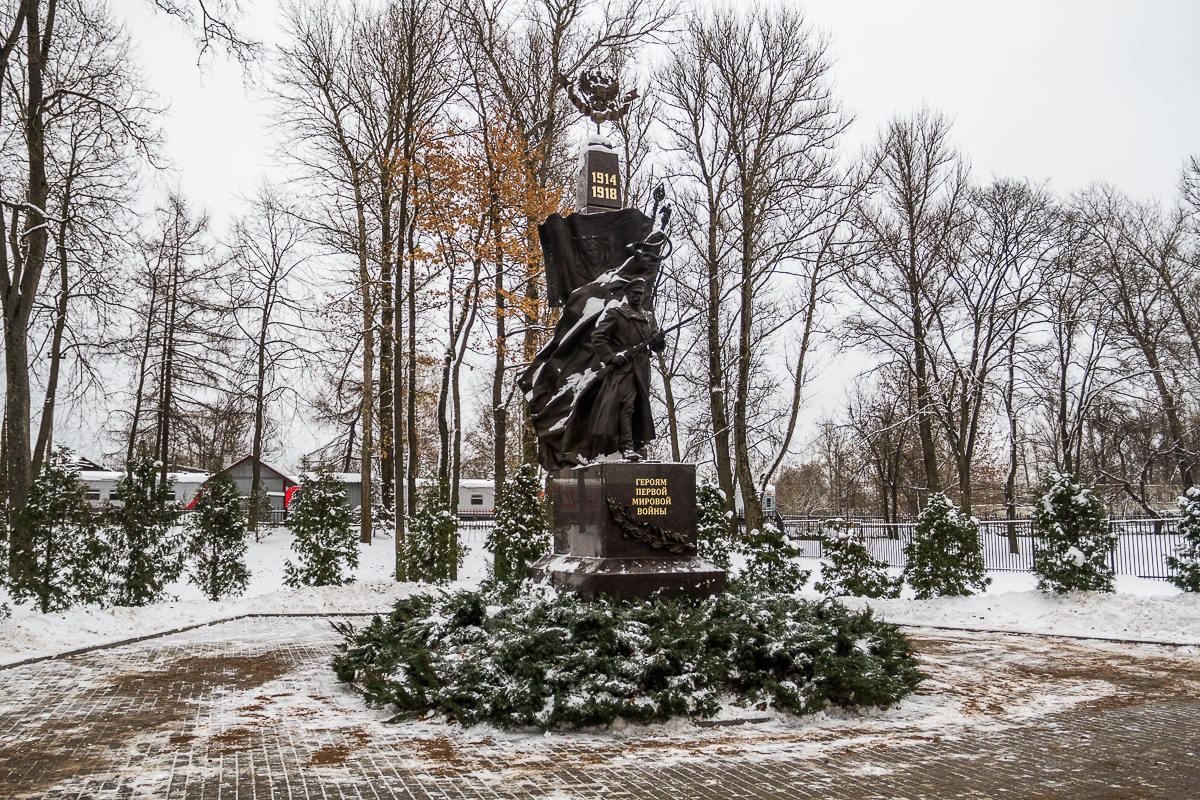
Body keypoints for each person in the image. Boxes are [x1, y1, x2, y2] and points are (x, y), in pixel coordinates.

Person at [589, 278, 666, 460]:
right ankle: (627, 447)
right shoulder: (617, 314)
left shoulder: (649, 318)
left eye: (641, 294)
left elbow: (657, 346)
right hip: (623, 369)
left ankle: (638, 444)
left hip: (642, 370)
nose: (638, 297)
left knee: (640, 407)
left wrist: (658, 340)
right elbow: (598, 336)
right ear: (628, 295)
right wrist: (611, 357)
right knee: (626, 407)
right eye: (635, 294)